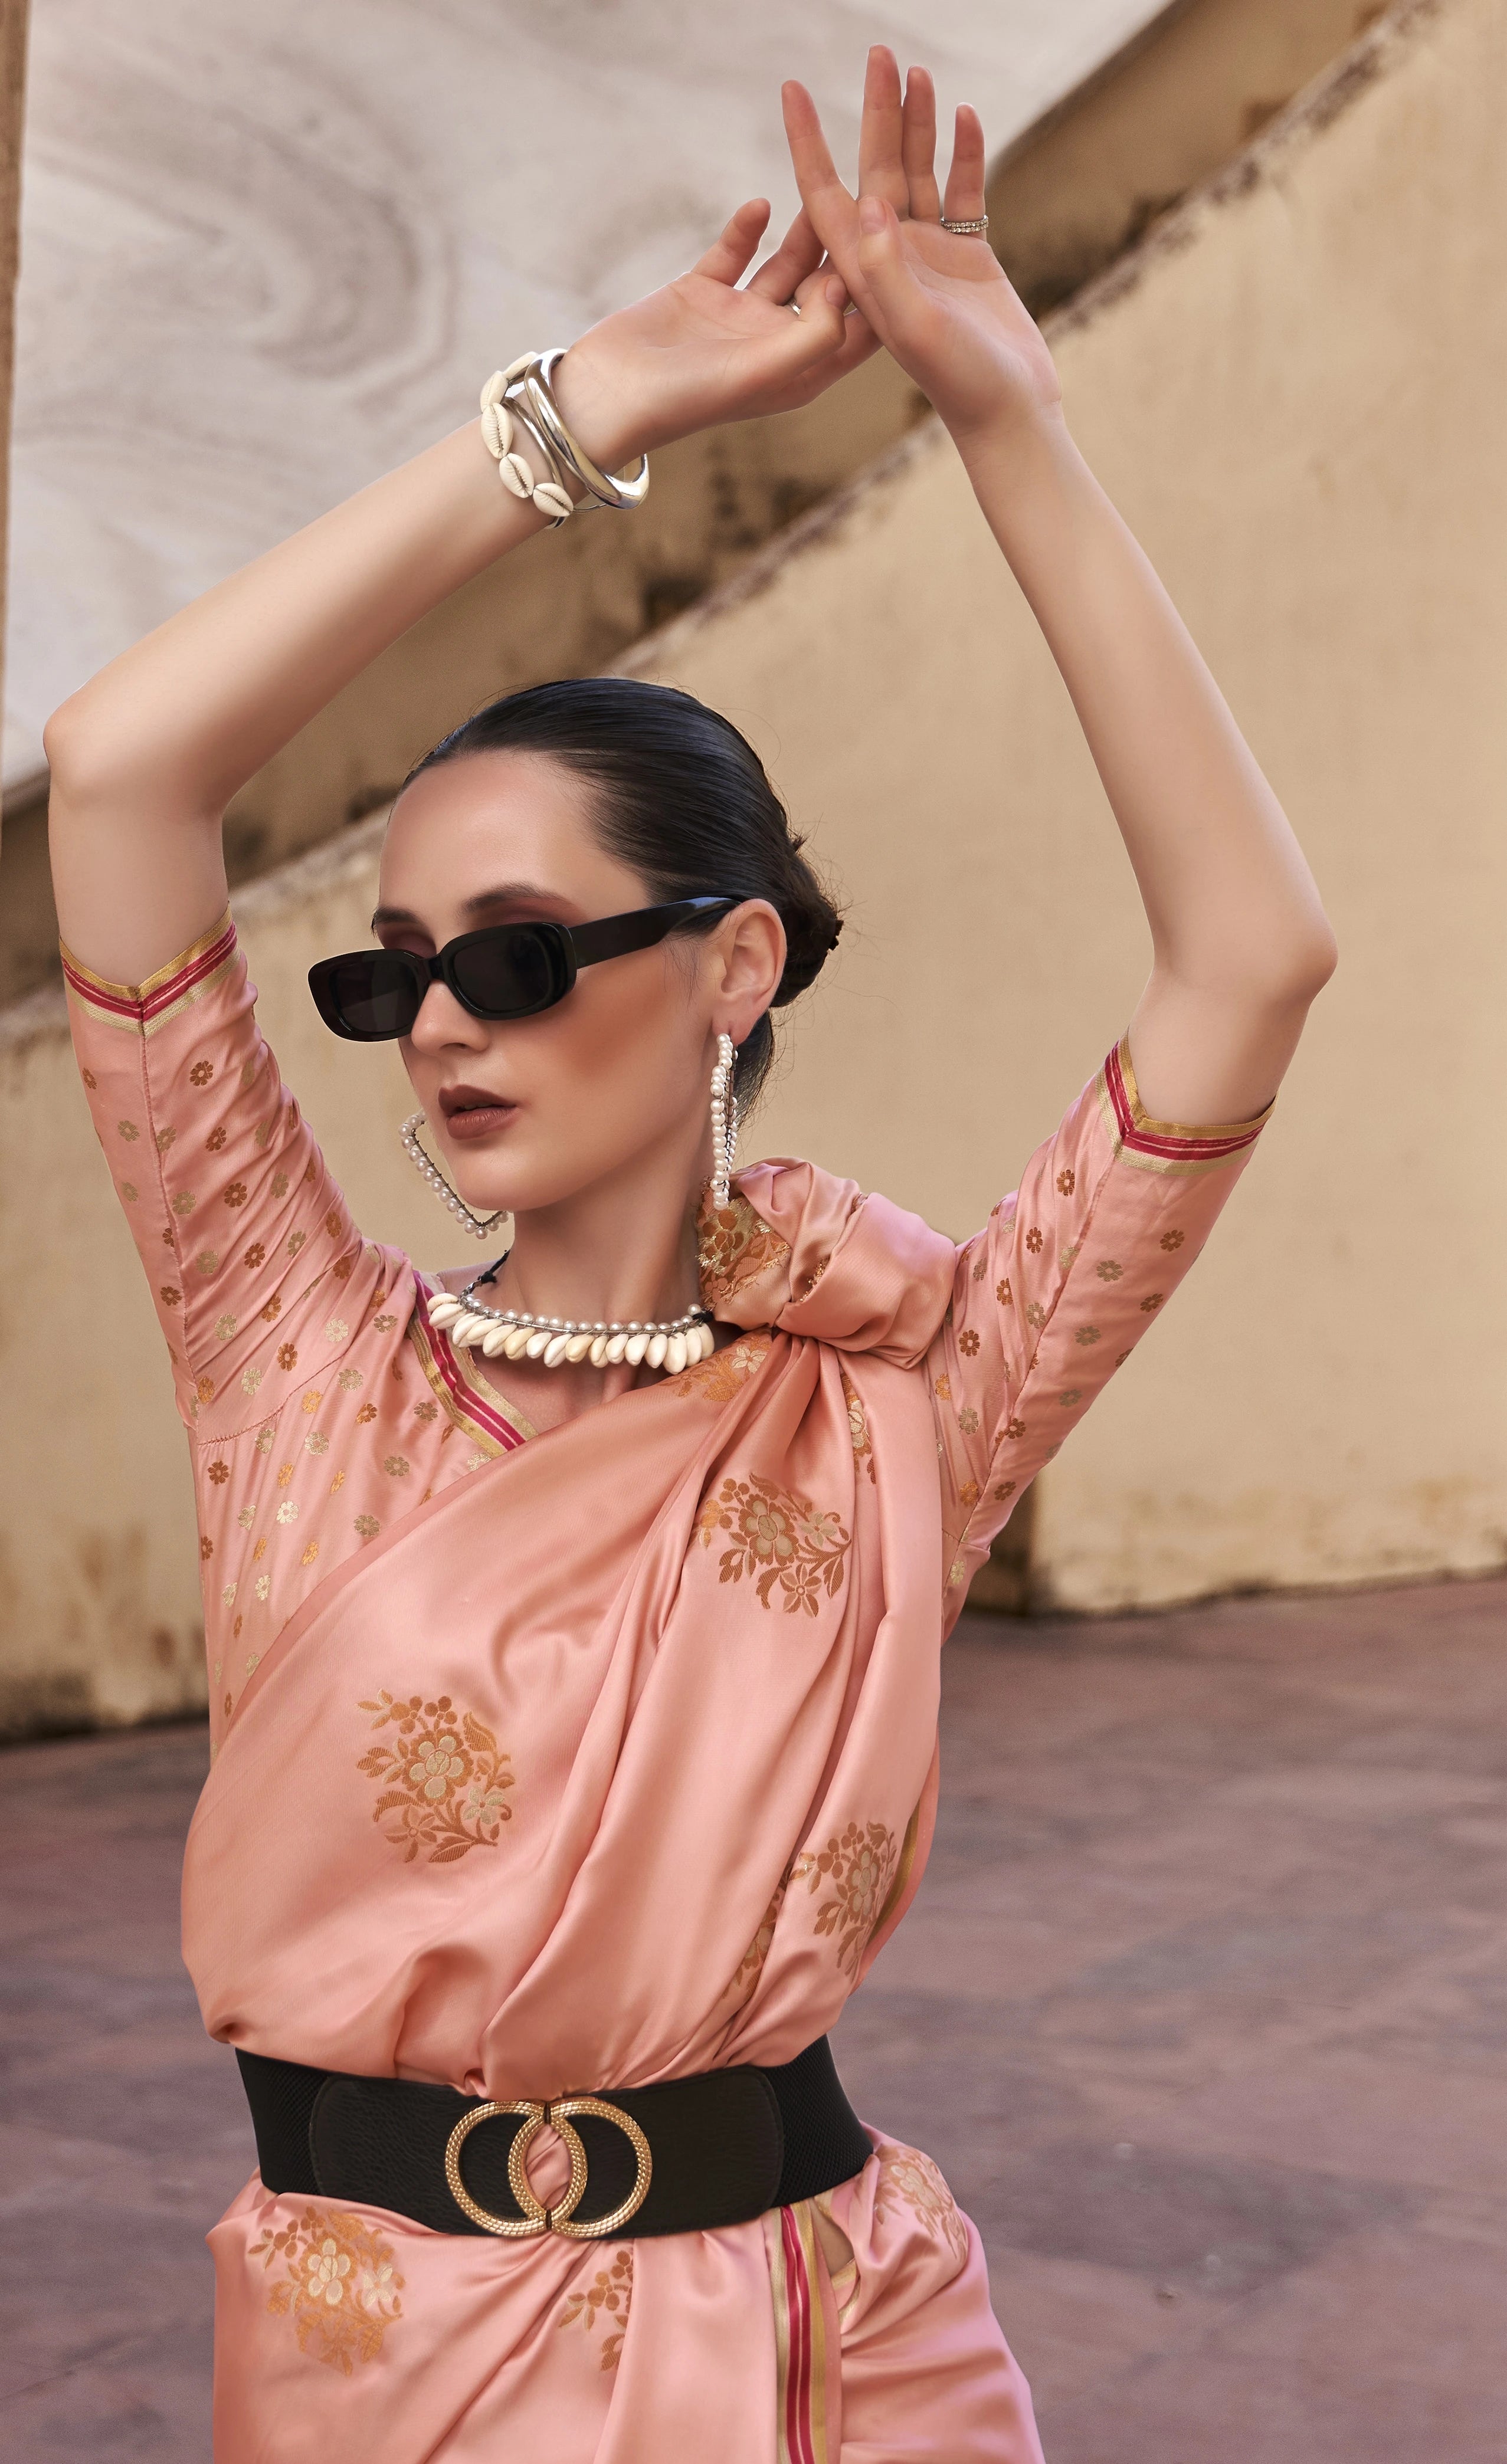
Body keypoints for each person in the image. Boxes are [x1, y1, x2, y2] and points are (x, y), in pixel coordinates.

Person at [44, 49, 1335, 2464]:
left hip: (836, 2350)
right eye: (395, 975)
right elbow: (121, 776)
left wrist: (1010, 420)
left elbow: (1251, 961)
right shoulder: (292, 1351)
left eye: (517, 952)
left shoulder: (905, 1395)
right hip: (378, 2364)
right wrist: (580, 416)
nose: (446, 1021)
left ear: (732, 966)